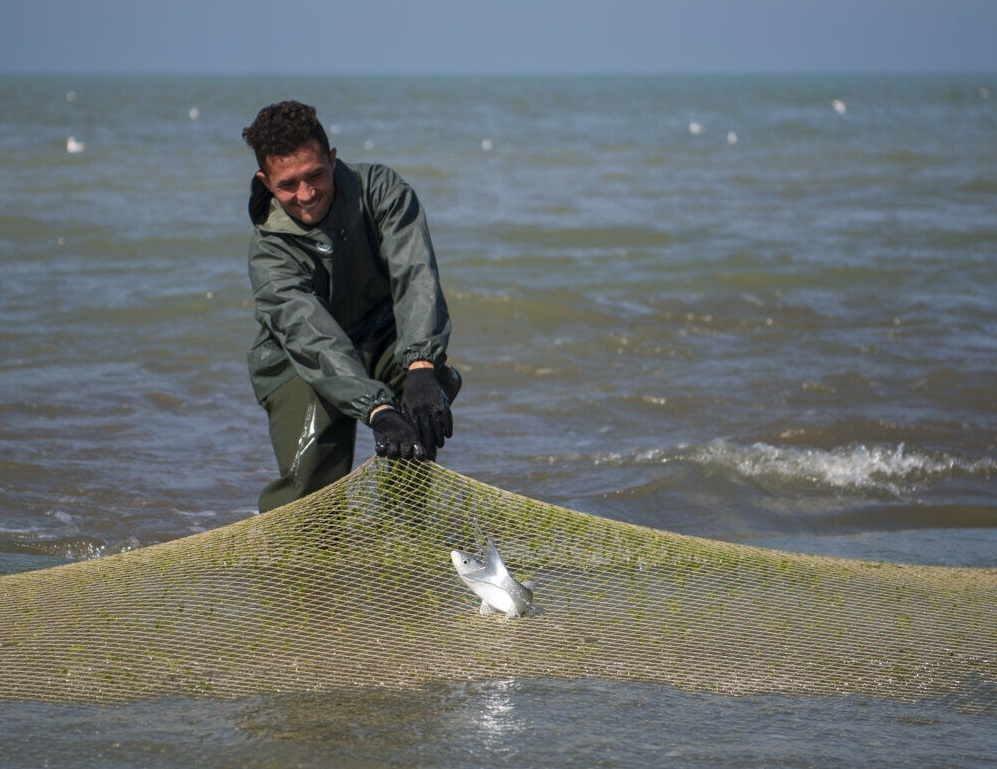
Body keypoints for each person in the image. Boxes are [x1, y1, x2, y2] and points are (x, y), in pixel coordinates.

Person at [241, 101, 460, 513]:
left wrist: (420, 368)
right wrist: (375, 409)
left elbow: (416, 276)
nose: (306, 195)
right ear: (266, 182)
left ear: (333, 158)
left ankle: (404, 523)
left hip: (380, 335)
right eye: (288, 184)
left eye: (316, 175)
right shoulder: (268, 253)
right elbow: (310, 336)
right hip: (298, 357)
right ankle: (306, 557)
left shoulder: (382, 191)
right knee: (311, 489)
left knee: (426, 397)